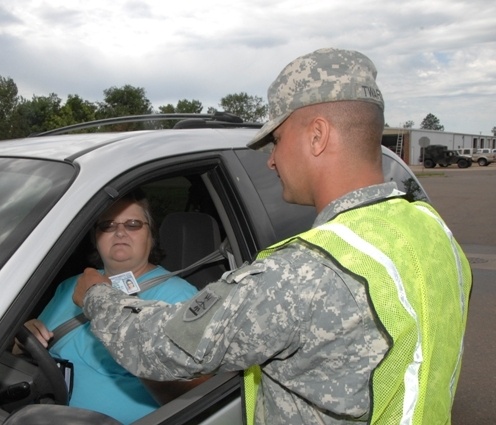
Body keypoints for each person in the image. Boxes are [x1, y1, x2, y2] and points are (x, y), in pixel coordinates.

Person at [73, 48, 473, 424]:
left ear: (317, 136)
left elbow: (162, 347)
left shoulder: (306, 272)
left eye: (277, 140)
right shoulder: (433, 231)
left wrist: (94, 294)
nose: (271, 159)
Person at [16, 190, 202, 424]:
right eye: (107, 225)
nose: (120, 232)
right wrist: (23, 339)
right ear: (95, 237)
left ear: (151, 236)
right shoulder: (72, 285)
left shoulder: (178, 296)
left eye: (133, 224)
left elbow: (195, 393)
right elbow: (25, 352)